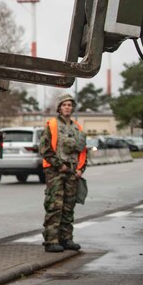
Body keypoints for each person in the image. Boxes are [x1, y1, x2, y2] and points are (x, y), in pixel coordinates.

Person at [41, 93, 87, 252]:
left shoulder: (77, 127)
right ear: (59, 108)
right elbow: (45, 149)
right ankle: (51, 241)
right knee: (55, 205)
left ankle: (66, 239)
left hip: (73, 172)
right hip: (55, 172)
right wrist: (59, 165)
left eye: (69, 105)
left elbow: (82, 151)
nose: (67, 107)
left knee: (68, 206)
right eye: (64, 104)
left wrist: (81, 169)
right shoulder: (52, 125)